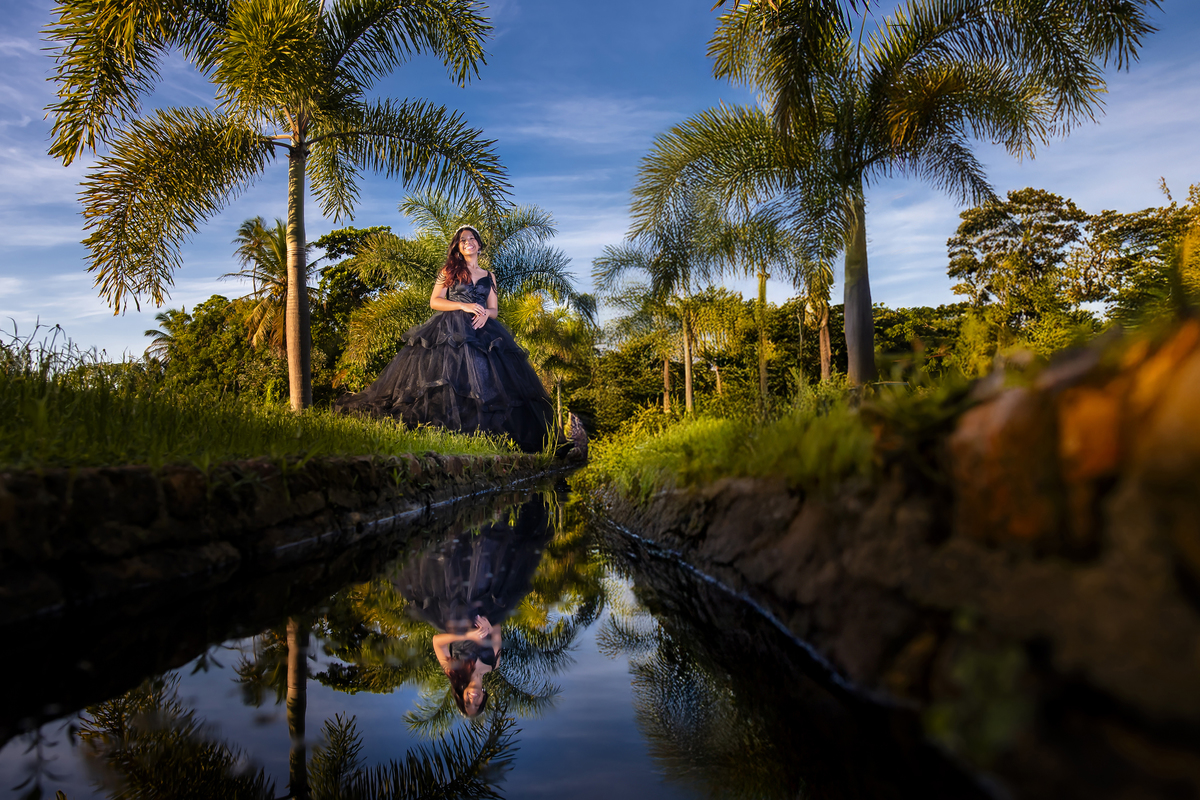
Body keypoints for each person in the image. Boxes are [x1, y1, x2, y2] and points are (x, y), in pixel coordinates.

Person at [334, 225, 560, 452]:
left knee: (485, 381)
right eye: (463, 240)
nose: (468, 242)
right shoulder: (449, 271)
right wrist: (463, 305)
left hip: (483, 330)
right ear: (458, 247)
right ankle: (448, 432)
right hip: (451, 329)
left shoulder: (489, 276)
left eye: (472, 238)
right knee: (452, 381)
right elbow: (435, 301)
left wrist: (485, 316)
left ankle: (489, 438)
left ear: (479, 245)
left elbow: (494, 309)